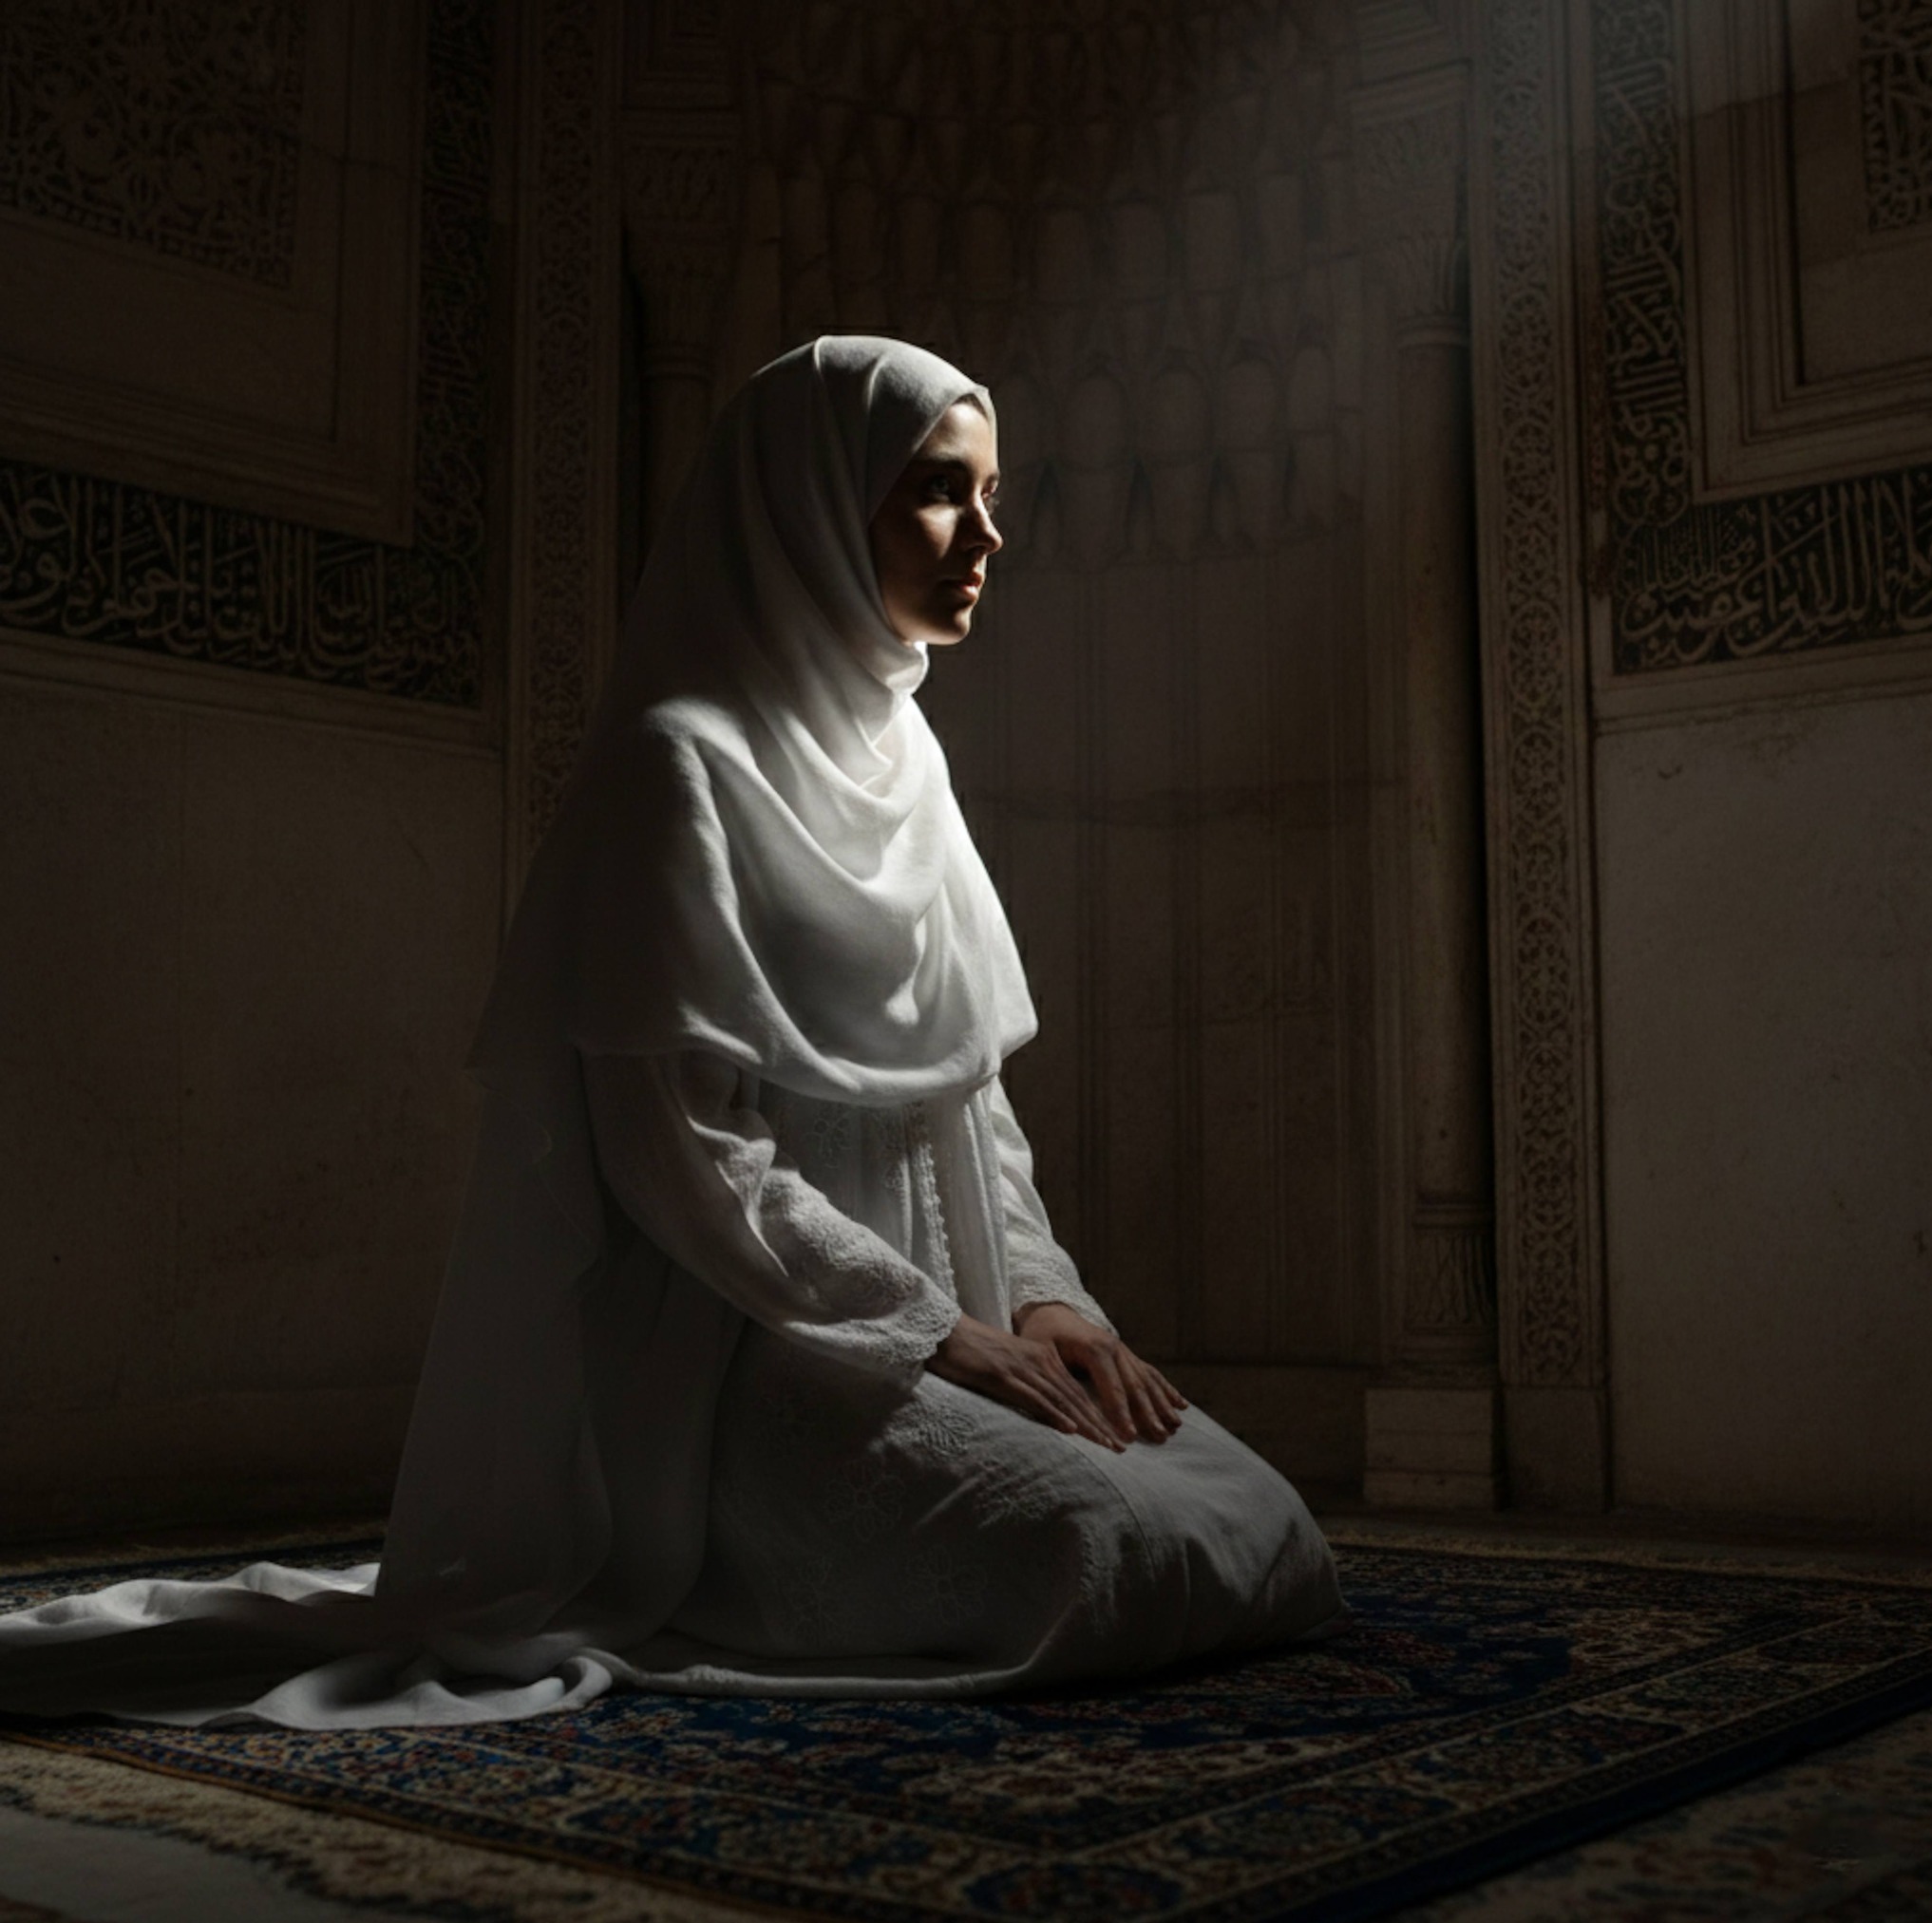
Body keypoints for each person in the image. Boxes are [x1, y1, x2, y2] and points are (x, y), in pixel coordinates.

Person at [0, 337, 1344, 1727]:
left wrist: (1050, 1303)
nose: (987, 535)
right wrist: (937, 1333)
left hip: (962, 1326)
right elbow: (682, 1154)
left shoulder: (912, 768)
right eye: (942, 491)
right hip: (740, 1371)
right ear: (817, 502)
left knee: (1259, 1521)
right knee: (1107, 1549)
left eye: (995, 494)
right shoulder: (679, 763)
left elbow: (971, 1108)